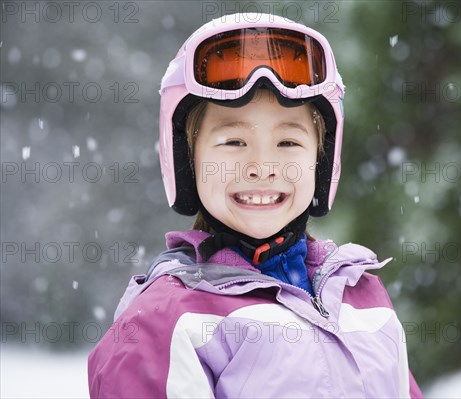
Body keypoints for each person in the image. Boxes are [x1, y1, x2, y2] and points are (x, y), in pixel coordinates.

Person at [88, 12, 423, 398]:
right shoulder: (166, 321)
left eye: (288, 143)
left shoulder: (362, 295)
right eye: (233, 142)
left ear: (321, 158)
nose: (261, 168)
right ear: (186, 160)